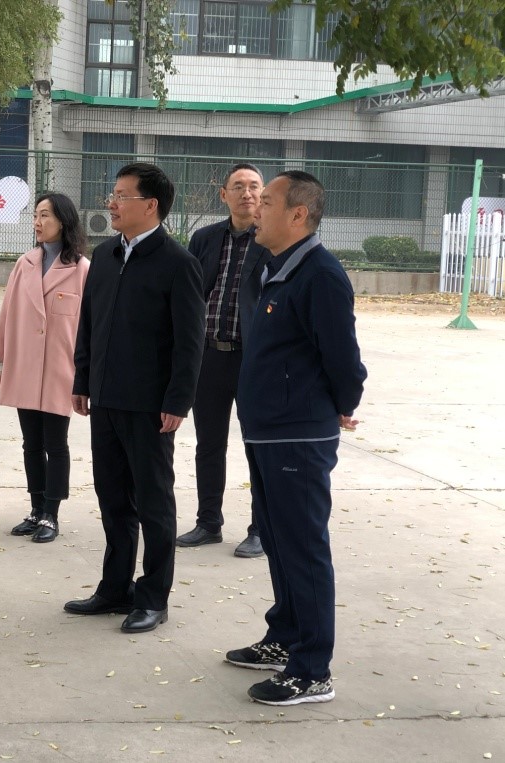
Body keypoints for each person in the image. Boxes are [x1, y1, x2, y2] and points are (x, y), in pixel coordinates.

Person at [225, 170, 366, 705]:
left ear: (298, 214)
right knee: (279, 541)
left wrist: (340, 405)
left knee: (303, 548)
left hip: (296, 436)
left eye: (268, 200)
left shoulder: (321, 275)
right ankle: (283, 637)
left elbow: (343, 359)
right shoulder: (275, 267)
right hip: (267, 431)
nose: (255, 207)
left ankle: (311, 670)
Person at [64, 163, 205, 633]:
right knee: (112, 498)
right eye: (113, 194)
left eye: (122, 196)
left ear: (150, 205)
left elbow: (190, 343)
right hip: (104, 398)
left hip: (150, 406)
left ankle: (153, 597)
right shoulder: (105, 255)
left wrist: (178, 401)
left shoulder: (178, 263)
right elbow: (88, 323)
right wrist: (83, 380)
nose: (112, 203)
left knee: (153, 503)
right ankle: (114, 588)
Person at [177, 163, 271, 558]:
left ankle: (261, 530)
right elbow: (188, 294)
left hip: (254, 361)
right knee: (209, 445)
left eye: (254, 186)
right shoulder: (205, 238)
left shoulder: (272, 240)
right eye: (238, 186)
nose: (246, 193)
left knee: (258, 448)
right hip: (210, 356)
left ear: (264, 194)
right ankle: (208, 523)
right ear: (224, 194)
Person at [0, 193, 89, 543]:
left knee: (55, 443)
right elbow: (7, 312)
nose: (38, 222)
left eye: (45, 215)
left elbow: (89, 326)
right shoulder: (25, 263)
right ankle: (35, 509)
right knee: (30, 443)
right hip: (24, 365)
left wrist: (85, 374)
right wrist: (2, 360)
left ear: (63, 220)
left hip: (61, 369)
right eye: (35, 215)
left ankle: (52, 514)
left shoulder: (81, 268)